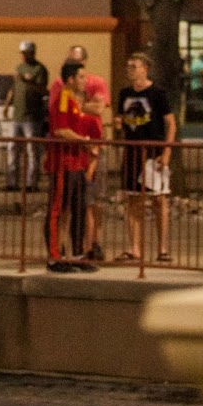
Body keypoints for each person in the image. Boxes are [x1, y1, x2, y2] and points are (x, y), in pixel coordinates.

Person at [115, 51, 177, 264]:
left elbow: (171, 123)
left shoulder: (157, 93)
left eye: (134, 66)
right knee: (134, 199)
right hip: (132, 151)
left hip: (153, 151)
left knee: (159, 199)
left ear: (145, 69)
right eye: (128, 67)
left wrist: (167, 152)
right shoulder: (124, 93)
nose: (129, 70)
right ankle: (134, 248)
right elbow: (121, 118)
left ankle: (162, 248)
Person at [45, 61, 101, 268]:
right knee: (58, 209)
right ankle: (54, 255)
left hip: (77, 163)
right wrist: (84, 141)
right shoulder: (63, 99)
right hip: (63, 162)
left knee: (78, 208)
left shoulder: (75, 101)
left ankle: (78, 255)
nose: (85, 81)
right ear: (70, 80)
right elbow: (61, 130)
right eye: (81, 77)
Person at [10, 41, 49, 190]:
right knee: (13, 148)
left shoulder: (39, 69)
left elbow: (42, 90)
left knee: (32, 150)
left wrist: (28, 81)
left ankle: (31, 183)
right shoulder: (19, 68)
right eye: (22, 53)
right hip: (17, 115)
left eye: (26, 53)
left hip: (32, 116)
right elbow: (14, 87)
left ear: (32, 53)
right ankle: (11, 181)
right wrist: (8, 104)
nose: (24, 56)